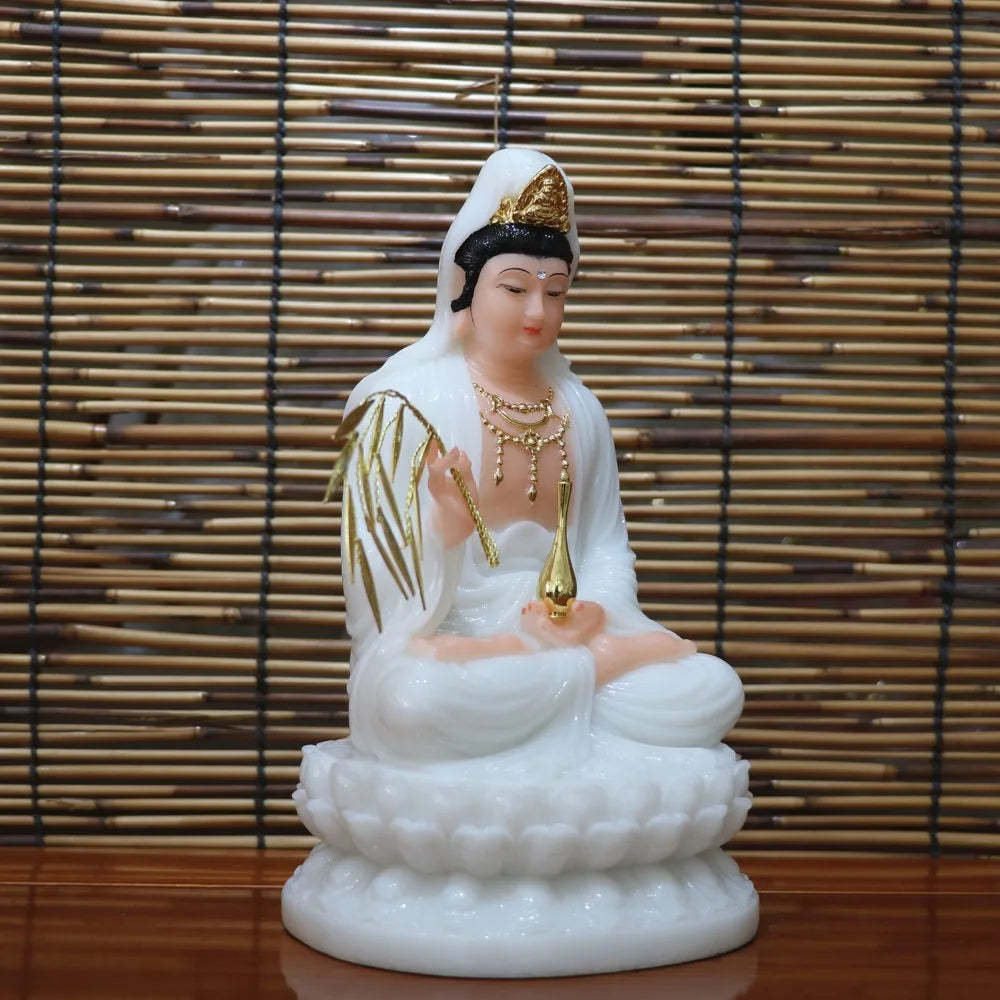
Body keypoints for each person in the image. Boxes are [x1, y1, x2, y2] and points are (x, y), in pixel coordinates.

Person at [340, 147, 743, 766]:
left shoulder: (579, 409)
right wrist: (443, 532)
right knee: (412, 703)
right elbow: (376, 579)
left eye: (556, 292)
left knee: (710, 689)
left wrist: (590, 614)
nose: (538, 312)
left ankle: (578, 665)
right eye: (515, 288)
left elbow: (605, 546)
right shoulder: (408, 403)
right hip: (462, 643)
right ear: (465, 290)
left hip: (567, 631)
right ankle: (587, 669)